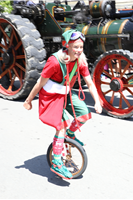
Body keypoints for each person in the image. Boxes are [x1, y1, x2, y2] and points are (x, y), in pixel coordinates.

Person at [23, 29, 102, 180]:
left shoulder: (81, 61)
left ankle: (70, 135)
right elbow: (40, 82)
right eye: (76, 47)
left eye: (81, 47)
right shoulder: (54, 61)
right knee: (61, 126)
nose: (79, 50)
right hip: (51, 96)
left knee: (84, 114)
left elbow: (90, 84)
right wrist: (28, 100)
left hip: (66, 94)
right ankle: (57, 163)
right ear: (67, 46)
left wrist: (97, 102)